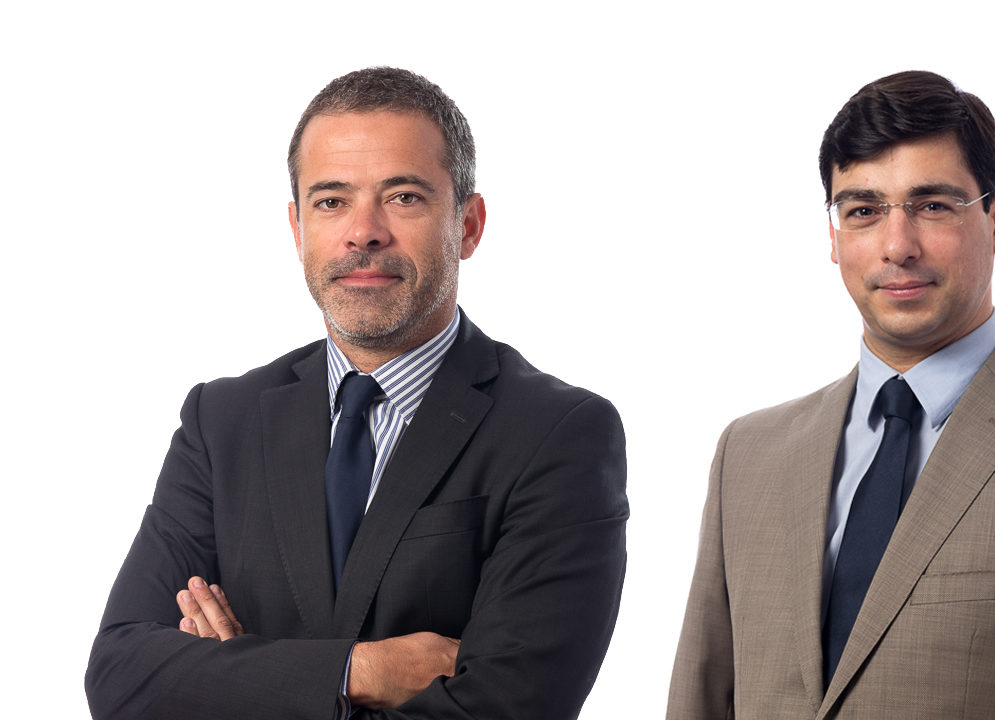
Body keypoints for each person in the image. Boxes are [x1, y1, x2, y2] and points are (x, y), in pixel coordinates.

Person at [86, 67, 628, 720]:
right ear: (297, 228)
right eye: (331, 201)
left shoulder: (560, 433)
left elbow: (507, 708)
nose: (363, 232)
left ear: (468, 225)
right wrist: (361, 670)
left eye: (403, 197)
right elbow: (120, 677)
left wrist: (235, 677)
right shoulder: (221, 422)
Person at [667, 70, 995, 719]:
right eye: (863, 211)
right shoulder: (748, 456)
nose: (897, 246)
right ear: (834, 237)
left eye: (933, 206)